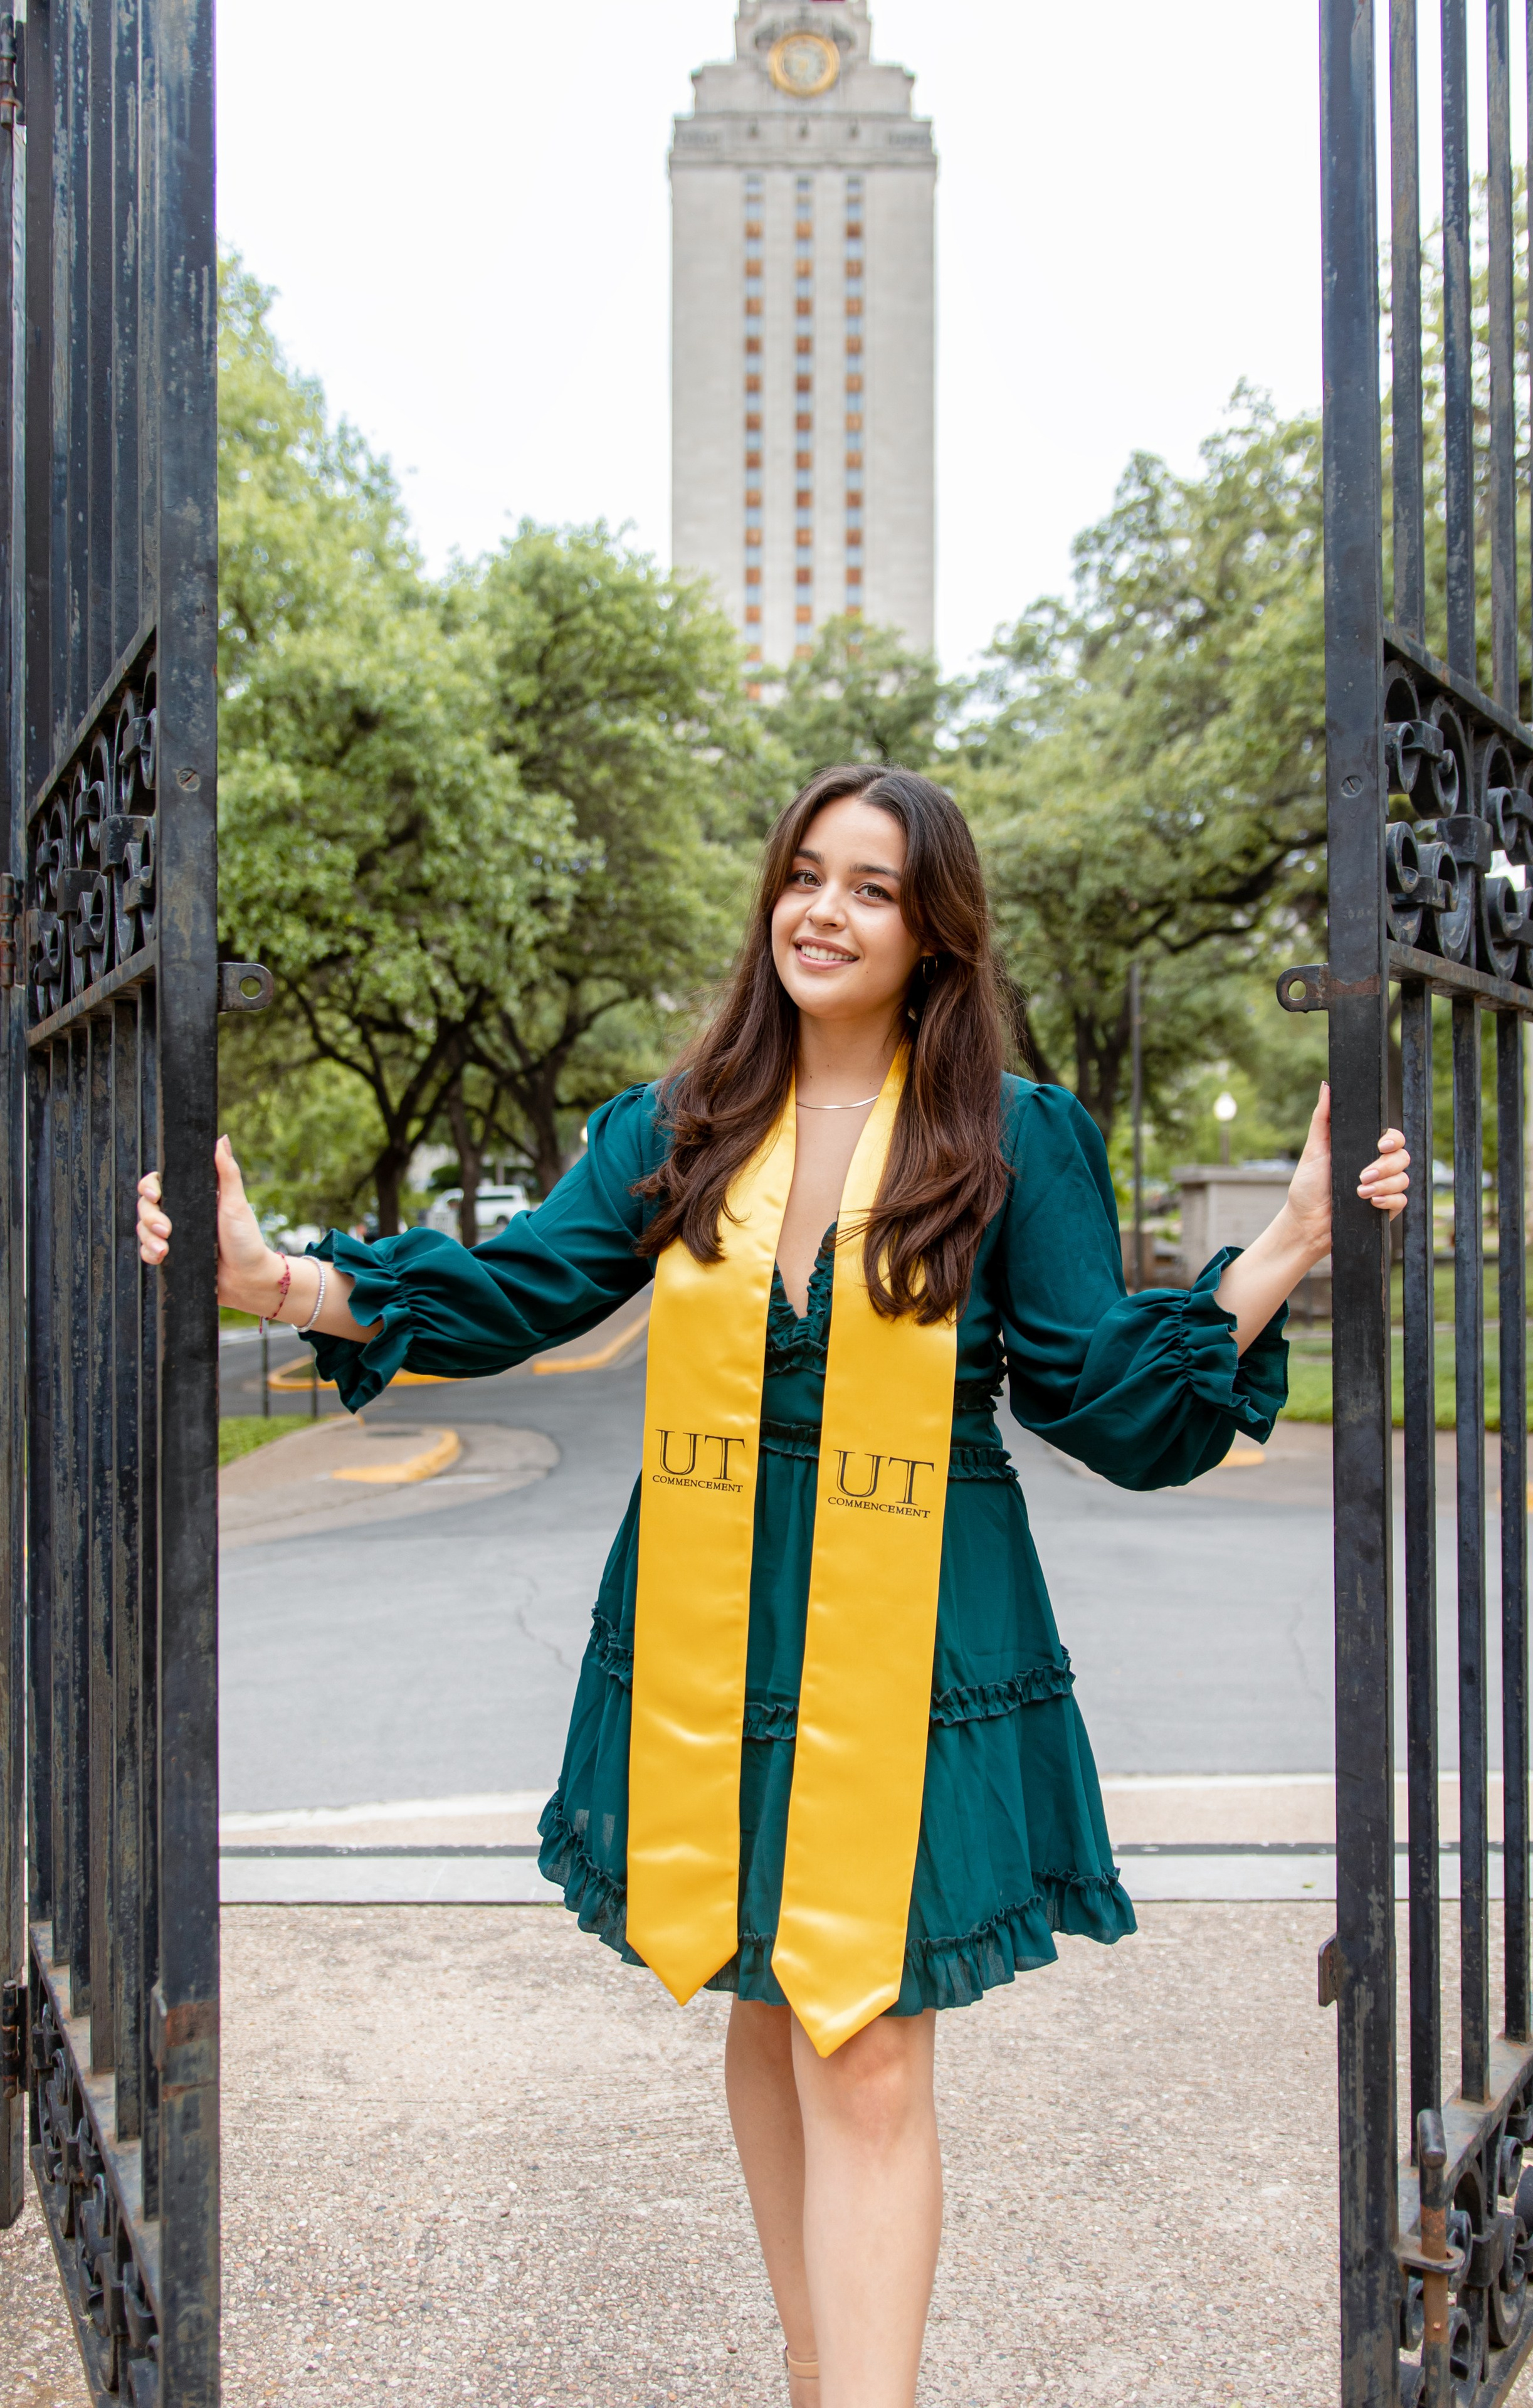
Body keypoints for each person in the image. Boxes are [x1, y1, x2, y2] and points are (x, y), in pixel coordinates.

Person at [139, 764, 1408, 2407]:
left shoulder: (1012, 1135)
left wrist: (1295, 1238)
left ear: (934, 930)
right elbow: (519, 1289)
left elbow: (1097, 1385)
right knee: (766, 1983)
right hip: (710, 1601)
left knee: (865, 2034)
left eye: (872, 887)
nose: (824, 909)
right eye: (807, 875)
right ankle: (819, 2368)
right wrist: (280, 1281)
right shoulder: (683, 1120)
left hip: (924, 1604)